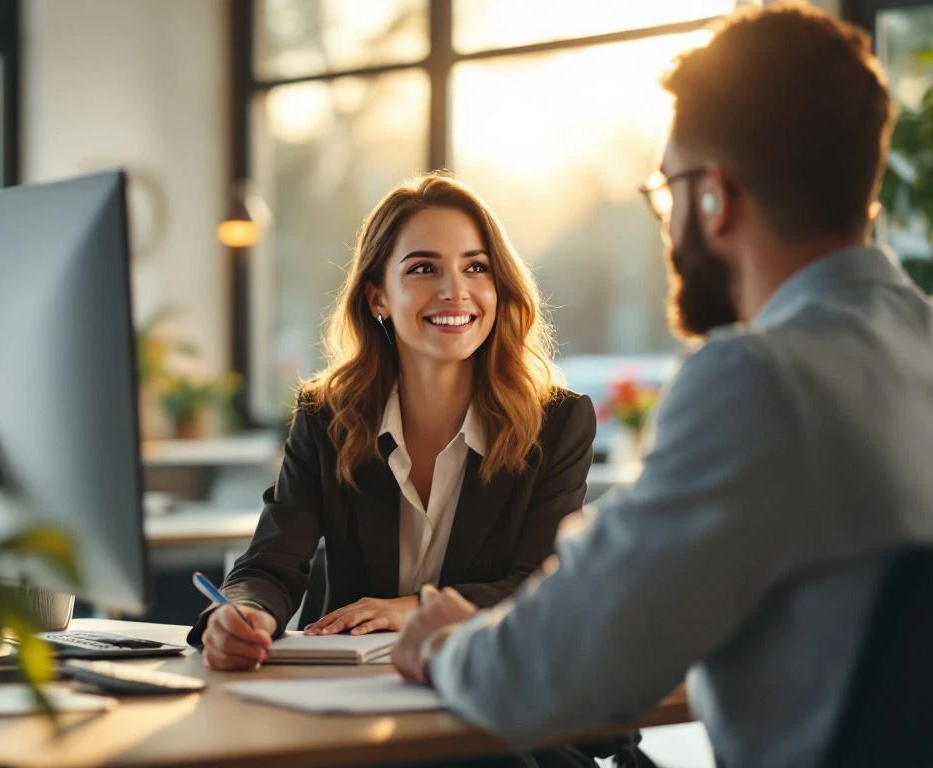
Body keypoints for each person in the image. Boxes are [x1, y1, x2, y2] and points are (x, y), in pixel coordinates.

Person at [392, 4, 933, 767]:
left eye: (667, 186)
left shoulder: (760, 381)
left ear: (715, 196)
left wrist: (446, 644)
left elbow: (552, 670)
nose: (667, 217)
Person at [188, 172, 596, 673]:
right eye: (424, 268)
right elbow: (270, 564)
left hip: (496, 696)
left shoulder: (556, 422)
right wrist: (242, 614)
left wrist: (416, 609)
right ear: (377, 296)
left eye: (476, 267)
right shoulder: (327, 418)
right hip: (353, 698)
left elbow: (543, 584)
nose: (455, 290)